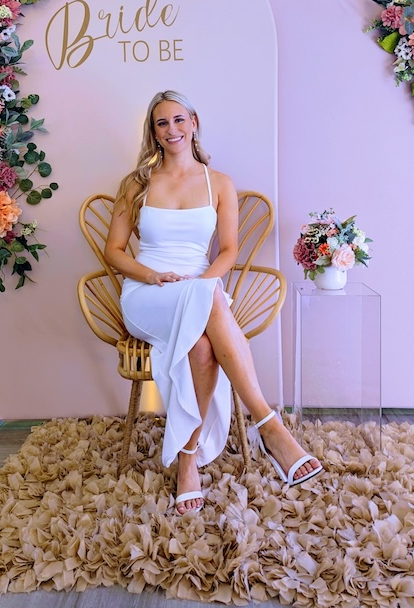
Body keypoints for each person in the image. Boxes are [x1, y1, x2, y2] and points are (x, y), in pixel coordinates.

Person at [105, 90, 323, 515]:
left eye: (179, 120)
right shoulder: (136, 183)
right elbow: (113, 251)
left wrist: (201, 285)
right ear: (153, 132)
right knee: (211, 301)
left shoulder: (218, 183)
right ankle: (269, 424)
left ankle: (188, 459)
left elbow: (228, 251)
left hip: (200, 287)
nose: (172, 129)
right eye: (162, 123)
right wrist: (151, 275)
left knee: (204, 345)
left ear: (194, 122)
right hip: (148, 294)